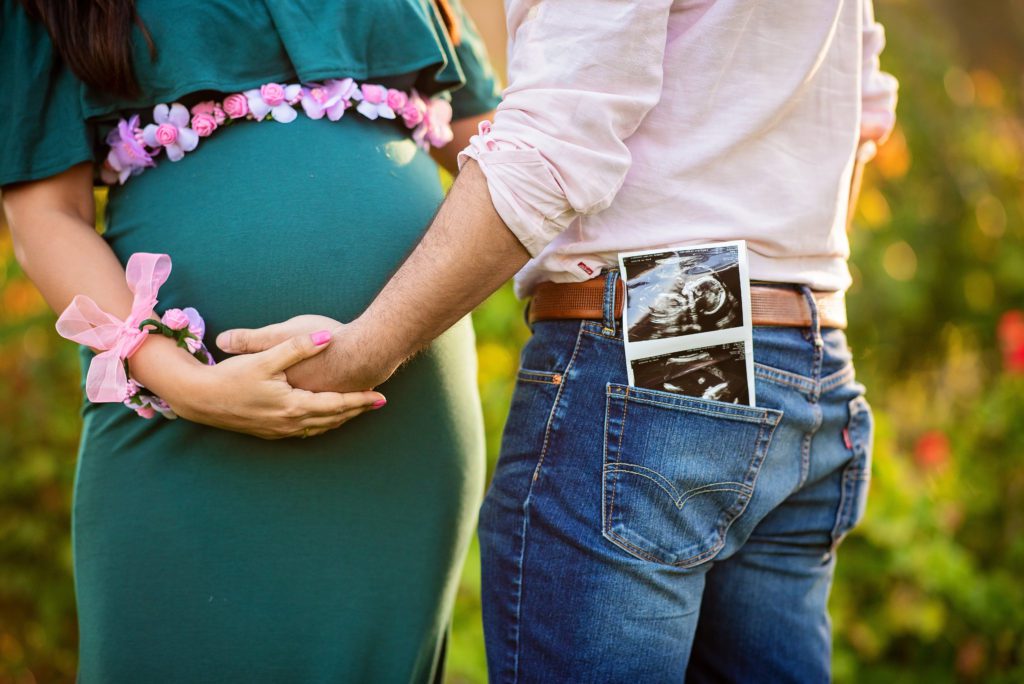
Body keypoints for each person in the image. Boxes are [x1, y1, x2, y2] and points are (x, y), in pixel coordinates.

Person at [220, 0, 898, 680]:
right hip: (805, 340)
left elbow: (553, 144)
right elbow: (865, 114)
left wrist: (361, 353)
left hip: (669, 310)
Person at [0, 0, 500, 680]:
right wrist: (183, 382)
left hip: (399, 412)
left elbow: (503, 143)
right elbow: (43, 218)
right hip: (175, 412)